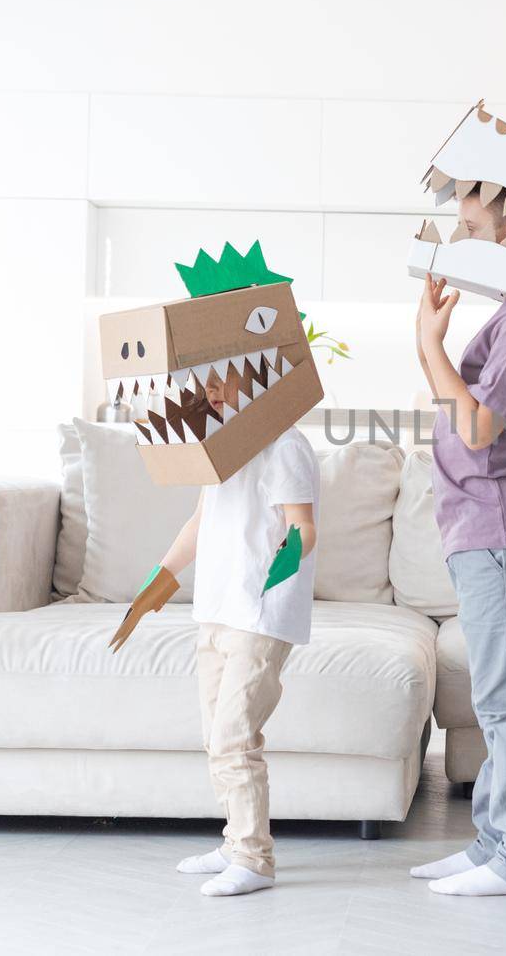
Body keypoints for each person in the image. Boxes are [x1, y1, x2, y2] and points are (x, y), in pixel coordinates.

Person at [408, 184, 506, 897]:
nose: (459, 238)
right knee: (496, 697)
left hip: (501, 523)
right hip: (481, 525)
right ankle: (493, 845)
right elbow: (463, 406)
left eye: (471, 225)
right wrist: (432, 342)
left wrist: (429, 344)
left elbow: (477, 427)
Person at [142, 369, 320, 898]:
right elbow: (199, 523)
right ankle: (235, 839)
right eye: (207, 382)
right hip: (215, 609)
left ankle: (253, 857)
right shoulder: (215, 446)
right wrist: (161, 579)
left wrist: (282, 567)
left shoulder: (286, 445)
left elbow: (303, 525)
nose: (213, 391)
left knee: (234, 737)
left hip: (258, 614)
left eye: (225, 380)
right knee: (214, 738)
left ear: (263, 378)